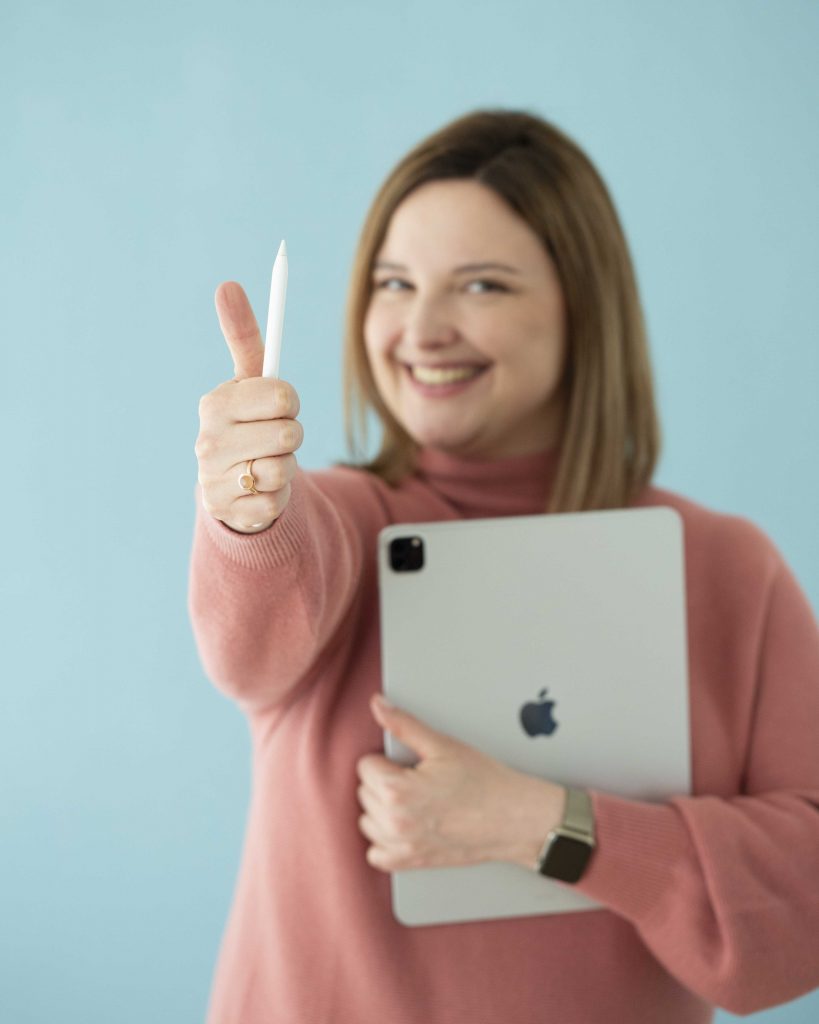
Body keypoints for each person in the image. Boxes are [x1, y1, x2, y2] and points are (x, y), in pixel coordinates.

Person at [189, 109, 819, 1024]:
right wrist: (246, 518)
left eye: (481, 285)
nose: (423, 328)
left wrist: (537, 824)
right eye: (394, 283)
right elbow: (248, 638)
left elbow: (801, 907)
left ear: (581, 307)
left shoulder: (725, 570)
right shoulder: (339, 526)